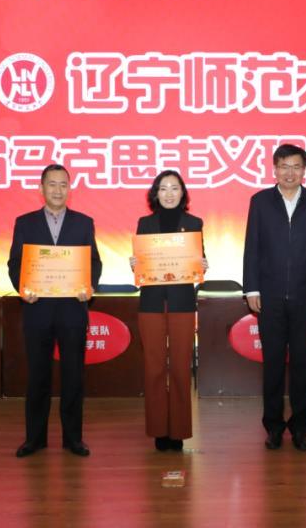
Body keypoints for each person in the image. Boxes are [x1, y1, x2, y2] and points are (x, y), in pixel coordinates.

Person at [7, 164, 102, 458]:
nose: (58, 190)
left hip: (73, 311)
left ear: (69, 189)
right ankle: (34, 439)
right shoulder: (25, 223)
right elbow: (15, 263)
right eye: (52, 184)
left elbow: (94, 262)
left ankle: (73, 439)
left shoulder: (84, 223)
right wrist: (23, 288)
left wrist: (89, 286)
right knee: (38, 377)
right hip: (38, 310)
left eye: (63, 184)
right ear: (41, 188)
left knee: (73, 377)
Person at [242, 144, 306, 452]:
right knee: (272, 365)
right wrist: (252, 289)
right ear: (275, 169)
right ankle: (273, 426)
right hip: (269, 297)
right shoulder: (260, 201)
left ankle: (300, 427)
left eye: (296, 167)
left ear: (304, 170)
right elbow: (252, 248)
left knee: (303, 365)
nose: (290, 173)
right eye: (284, 166)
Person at [129, 170, 207, 452]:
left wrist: (203, 264)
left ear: (182, 193)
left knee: (181, 368)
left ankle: (179, 431)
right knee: (154, 368)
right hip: (151, 303)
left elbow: (198, 261)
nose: (169, 193)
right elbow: (142, 264)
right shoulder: (145, 223)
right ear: (156, 193)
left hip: (182, 303)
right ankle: (158, 431)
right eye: (164, 188)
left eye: (175, 188)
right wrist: (135, 264)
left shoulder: (194, 223)